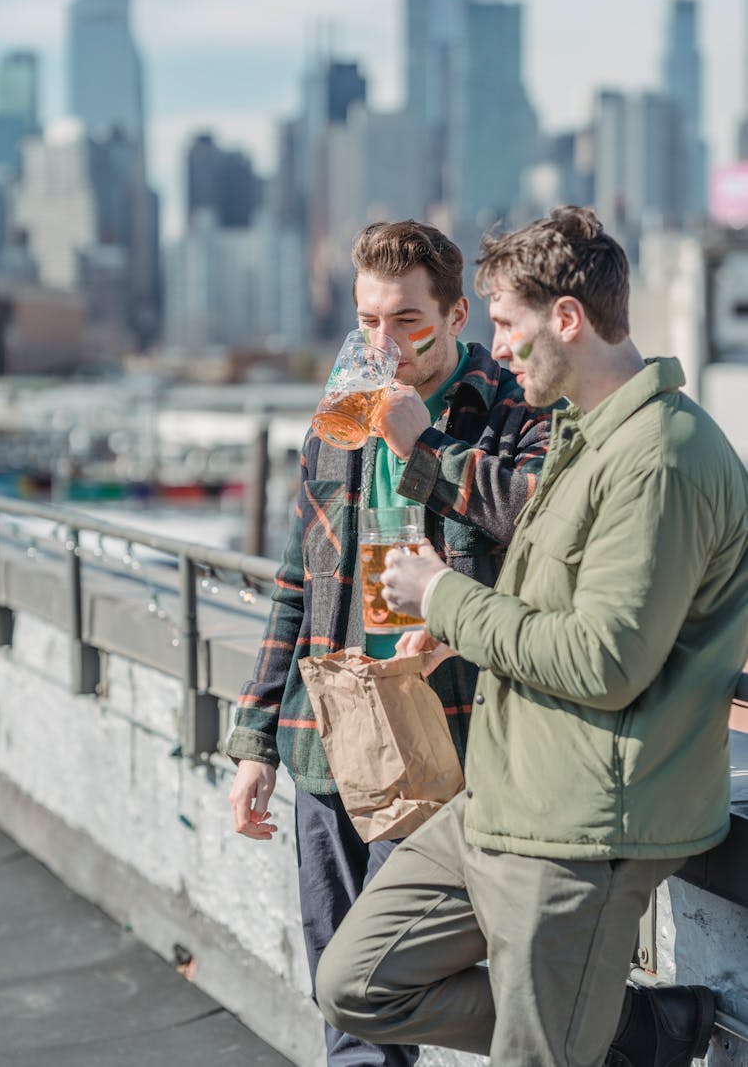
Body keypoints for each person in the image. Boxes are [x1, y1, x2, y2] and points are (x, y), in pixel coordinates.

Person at [315, 206, 748, 1067]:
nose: (501, 349)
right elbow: (550, 601)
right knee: (356, 982)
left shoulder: (662, 457)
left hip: (582, 826)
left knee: (537, 1054)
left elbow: (604, 659)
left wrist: (444, 600)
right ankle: (631, 1028)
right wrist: (461, 637)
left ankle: (578, 1027)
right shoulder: (586, 440)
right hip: (503, 794)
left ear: (568, 318)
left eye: (508, 324)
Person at [226, 219, 555, 1066]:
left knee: (381, 983)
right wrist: (255, 737)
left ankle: (620, 1027)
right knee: (335, 986)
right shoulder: (335, 420)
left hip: (444, 734)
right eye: (369, 320)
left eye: (408, 320)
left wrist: (423, 442)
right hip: (327, 731)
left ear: (455, 316)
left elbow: (531, 522)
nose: (385, 343)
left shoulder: (514, 413)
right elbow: (299, 579)